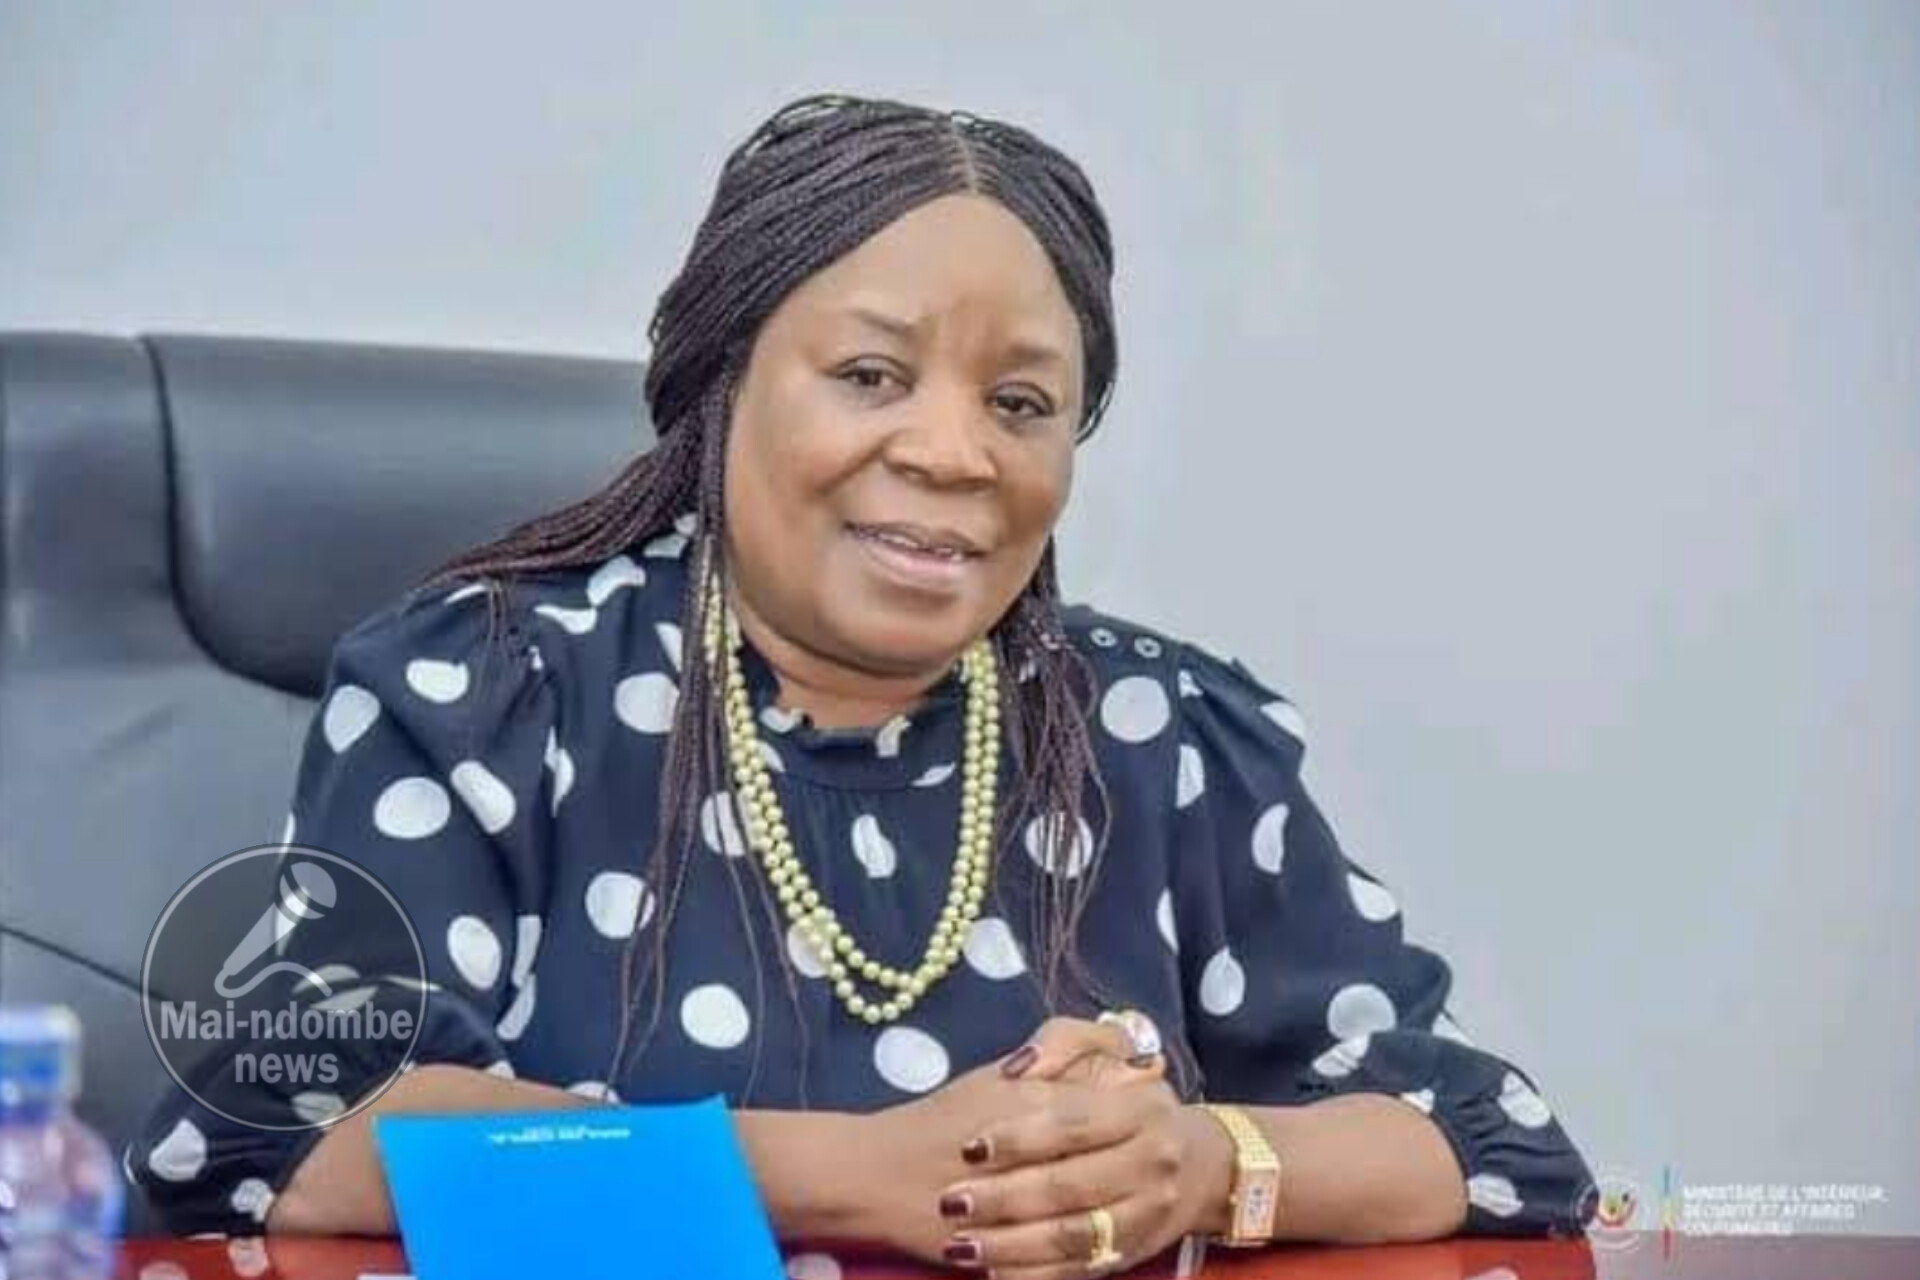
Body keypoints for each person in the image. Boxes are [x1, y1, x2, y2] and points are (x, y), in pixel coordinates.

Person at [127, 92, 1595, 1270]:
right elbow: (295, 1136)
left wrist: (1205, 1165)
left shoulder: (1161, 739)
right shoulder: (491, 693)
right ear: (723, 389)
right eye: (872, 377)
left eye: (1021, 401)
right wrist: (863, 1178)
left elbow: (1489, 1141)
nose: (955, 453)